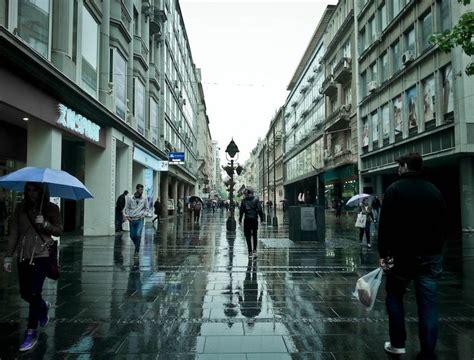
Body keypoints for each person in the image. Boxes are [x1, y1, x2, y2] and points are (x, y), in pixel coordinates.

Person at [378, 153, 447, 359]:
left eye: (399, 166)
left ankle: (398, 344)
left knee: (395, 296)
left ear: (406, 166)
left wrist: (384, 254)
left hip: (401, 257)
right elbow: (444, 224)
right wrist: (436, 248)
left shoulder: (394, 190)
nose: (397, 169)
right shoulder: (434, 191)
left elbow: (385, 227)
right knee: (428, 303)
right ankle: (427, 350)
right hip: (430, 256)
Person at [2, 182, 62, 352]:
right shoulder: (20, 208)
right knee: (25, 293)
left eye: (35, 190)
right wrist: (8, 256)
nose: (31, 193)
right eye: (28, 190)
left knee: (35, 292)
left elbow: (59, 230)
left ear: (42, 191)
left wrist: (45, 224)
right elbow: (14, 232)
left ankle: (31, 332)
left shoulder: (51, 208)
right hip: (23, 254)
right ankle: (43, 306)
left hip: (42, 254)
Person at [123, 184, 148, 259]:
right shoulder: (130, 198)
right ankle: (137, 245)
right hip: (132, 219)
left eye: (142, 189)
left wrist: (143, 215)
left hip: (140, 219)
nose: (141, 191)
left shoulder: (144, 198)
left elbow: (146, 208)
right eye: (140, 189)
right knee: (132, 236)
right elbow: (126, 208)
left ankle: (136, 251)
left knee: (138, 234)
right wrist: (127, 217)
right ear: (136, 189)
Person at [238, 187, 264, 257]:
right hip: (254, 219)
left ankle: (249, 251)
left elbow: (241, 211)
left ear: (247, 193)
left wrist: (240, 219)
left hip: (247, 219)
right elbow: (259, 210)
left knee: (247, 235)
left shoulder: (243, 200)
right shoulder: (256, 200)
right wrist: (262, 219)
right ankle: (254, 250)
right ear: (252, 193)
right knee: (255, 234)